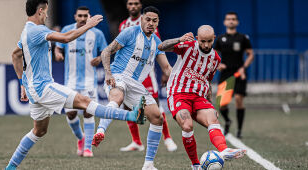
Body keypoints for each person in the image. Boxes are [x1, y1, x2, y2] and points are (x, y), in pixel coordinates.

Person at [5, 1, 144, 169]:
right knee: (85, 102)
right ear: (40, 11)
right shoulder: (38, 30)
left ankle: (10, 167)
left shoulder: (26, 31)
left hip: (34, 89)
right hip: (43, 87)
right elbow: (66, 38)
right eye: (46, 12)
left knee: (39, 131)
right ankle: (130, 116)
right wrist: (89, 25)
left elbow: (15, 55)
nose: (48, 15)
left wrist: (22, 83)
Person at [93, 6, 172, 170]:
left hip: (136, 84)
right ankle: (100, 130)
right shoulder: (130, 32)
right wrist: (108, 73)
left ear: (158, 23)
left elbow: (167, 69)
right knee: (117, 97)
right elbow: (107, 51)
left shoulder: (157, 43)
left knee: (157, 117)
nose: (150, 23)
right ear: (142, 19)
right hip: (119, 74)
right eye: (148, 19)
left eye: (154, 21)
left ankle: (148, 164)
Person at [158, 25, 246, 170]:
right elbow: (162, 46)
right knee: (187, 125)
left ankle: (224, 150)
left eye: (209, 41)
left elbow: (207, 80)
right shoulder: (187, 46)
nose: (206, 45)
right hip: (178, 93)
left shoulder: (215, 59)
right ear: (197, 39)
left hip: (199, 96)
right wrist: (179, 39)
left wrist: (209, 102)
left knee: (212, 116)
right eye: (202, 41)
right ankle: (196, 165)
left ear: (214, 39)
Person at [108, 0, 176, 152]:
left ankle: (168, 138)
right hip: (127, 73)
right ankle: (136, 141)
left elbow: (157, 47)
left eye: (136, 3)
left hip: (146, 72)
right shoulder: (124, 25)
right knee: (125, 103)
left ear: (140, 6)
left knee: (155, 105)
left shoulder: (149, 22)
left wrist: (165, 73)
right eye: (130, 3)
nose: (133, 6)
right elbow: (118, 49)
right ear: (127, 6)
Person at [55, 6, 108, 157]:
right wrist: (57, 54)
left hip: (89, 81)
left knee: (88, 112)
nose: (83, 18)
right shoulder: (67, 29)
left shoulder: (96, 33)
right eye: (80, 16)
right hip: (70, 81)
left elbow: (105, 51)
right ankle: (81, 138)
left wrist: (99, 58)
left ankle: (87, 148)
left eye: (86, 16)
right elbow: (58, 47)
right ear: (75, 16)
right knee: (71, 114)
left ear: (89, 16)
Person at [214, 12, 254, 138]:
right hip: (226, 73)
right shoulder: (220, 39)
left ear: (237, 22)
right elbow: (213, 54)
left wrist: (244, 68)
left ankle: (239, 130)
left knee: (238, 99)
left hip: (239, 72)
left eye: (233, 19)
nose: (231, 21)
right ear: (225, 22)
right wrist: (218, 64)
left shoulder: (243, 38)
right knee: (222, 104)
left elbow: (250, 54)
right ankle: (227, 120)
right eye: (228, 19)